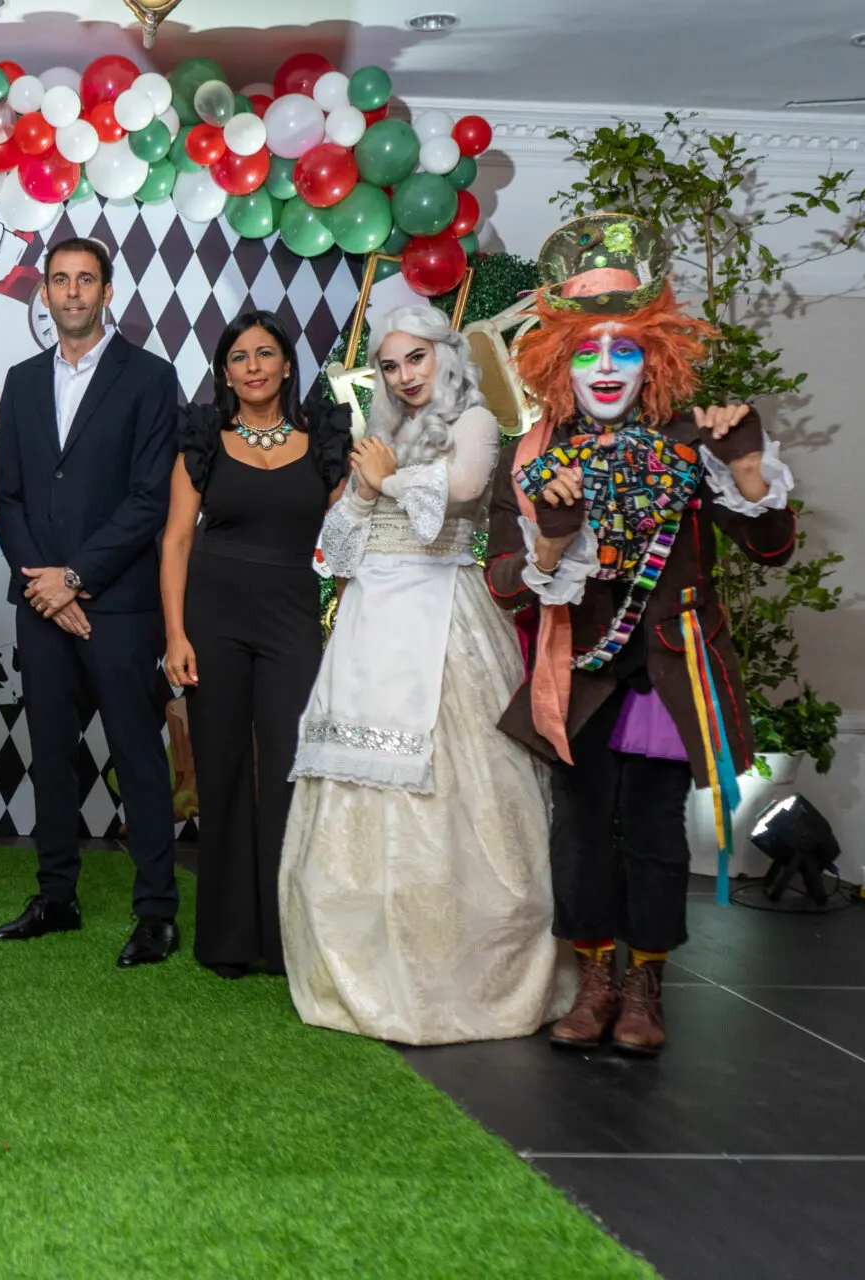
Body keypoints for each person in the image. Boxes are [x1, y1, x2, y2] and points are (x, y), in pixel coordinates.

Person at [489, 213, 794, 1056]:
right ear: (561, 363)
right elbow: (505, 580)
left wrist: (745, 470)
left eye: (626, 349)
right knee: (581, 829)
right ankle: (593, 977)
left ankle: (646, 983)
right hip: (579, 672)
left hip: (670, 668)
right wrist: (551, 538)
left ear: (653, 356)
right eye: (588, 351)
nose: (608, 369)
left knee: (657, 832)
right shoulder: (534, 457)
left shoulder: (697, 440)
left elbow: (771, 548)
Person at [279, 305, 569, 1041]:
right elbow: (337, 547)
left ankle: (459, 971)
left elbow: (467, 488)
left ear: (445, 355)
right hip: (371, 621)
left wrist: (388, 478)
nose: (405, 375)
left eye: (417, 358)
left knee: (460, 787)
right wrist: (369, 486)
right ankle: (361, 967)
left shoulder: (473, 417)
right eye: (391, 365)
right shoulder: (380, 437)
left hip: (445, 615)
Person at [0, 238, 183, 968]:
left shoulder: (150, 377)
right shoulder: (23, 378)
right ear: (44, 292)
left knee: (137, 757)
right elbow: (8, 494)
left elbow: (148, 499)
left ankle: (157, 911)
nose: (72, 292)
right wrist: (45, 583)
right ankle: (57, 896)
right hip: (43, 608)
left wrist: (75, 579)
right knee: (50, 757)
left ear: (108, 291)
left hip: (119, 605)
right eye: (60, 280)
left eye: (86, 280)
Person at [158, 312, 352, 979]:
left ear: (288, 365)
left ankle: (285, 934)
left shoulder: (324, 440)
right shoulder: (203, 438)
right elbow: (177, 540)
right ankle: (228, 937)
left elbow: (348, 537)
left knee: (289, 772)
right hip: (212, 617)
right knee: (221, 771)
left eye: (265, 353)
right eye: (239, 357)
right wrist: (176, 634)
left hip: (293, 617)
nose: (253, 366)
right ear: (225, 373)